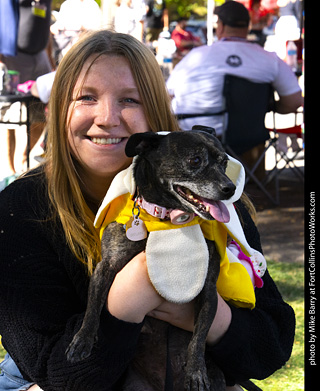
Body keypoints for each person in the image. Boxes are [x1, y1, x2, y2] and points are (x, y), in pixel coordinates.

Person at [0, 29, 295, 390]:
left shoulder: (208, 201)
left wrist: (205, 314)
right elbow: (56, 376)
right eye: (86, 97)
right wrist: (126, 301)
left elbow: (272, 348)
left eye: (130, 100)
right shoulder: (21, 209)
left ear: (156, 110)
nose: (108, 118)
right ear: (58, 110)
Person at [166, 1, 303, 138]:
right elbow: (294, 101)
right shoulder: (269, 59)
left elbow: (166, 96)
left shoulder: (195, 56)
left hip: (194, 143)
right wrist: (265, 108)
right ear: (248, 26)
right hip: (246, 146)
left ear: (220, 26)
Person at [0, 0, 53, 180]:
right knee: (9, 116)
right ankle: (10, 168)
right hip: (13, 56)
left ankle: (24, 158)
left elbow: (45, 27)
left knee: (41, 113)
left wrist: (51, 60)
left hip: (39, 57)